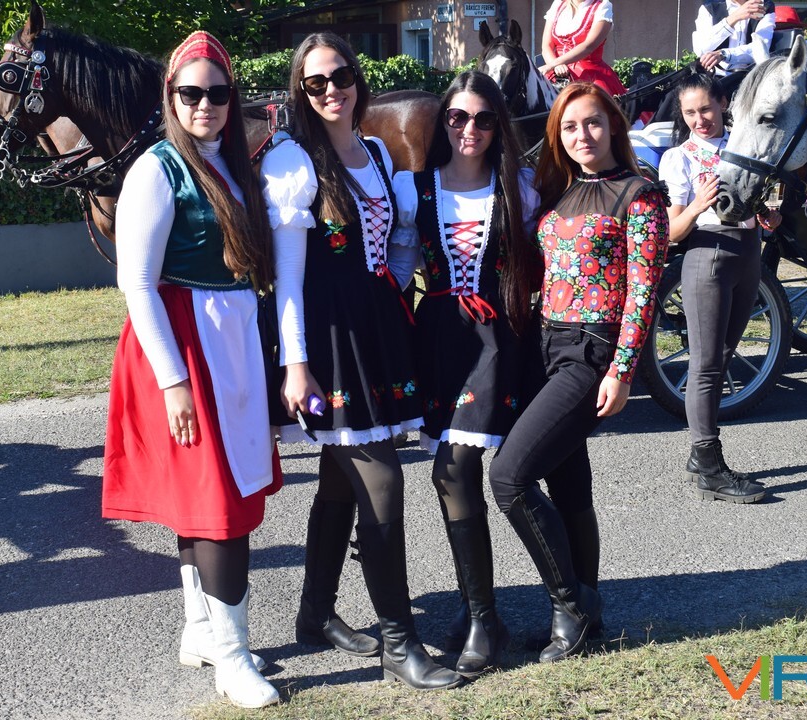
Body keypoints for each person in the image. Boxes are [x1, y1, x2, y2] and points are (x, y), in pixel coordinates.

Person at [260, 33, 464, 690]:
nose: (331, 91)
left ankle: (315, 613)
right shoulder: (292, 161)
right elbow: (288, 282)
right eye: (316, 82)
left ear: (357, 79)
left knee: (340, 480)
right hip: (328, 340)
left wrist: (392, 294)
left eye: (340, 76)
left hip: (378, 327)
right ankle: (399, 643)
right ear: (300, 91)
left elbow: (394, 246)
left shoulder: (375, 151)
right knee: (382, 482)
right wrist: (295, 366)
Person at [101, 31, 281, 709]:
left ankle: (202, 630)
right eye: (191, 92)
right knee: (217, 506)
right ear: (170, 97)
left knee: (202, 500)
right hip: (182, 350)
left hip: (227, 343)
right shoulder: (157, 169)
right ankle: (232, 659)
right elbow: (137, 284)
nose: (205, 104)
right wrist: (173, 381)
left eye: (218, 93)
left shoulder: (229, 163)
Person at [488, 83, 669, 662]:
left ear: (613, 125)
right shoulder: (557, 192)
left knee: (509, 479)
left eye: (592, 123)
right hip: (543, 349)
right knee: (568, 487)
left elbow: (644, 293)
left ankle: (571, 605)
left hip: (592, 353)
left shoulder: (639, 195)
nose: (582, 135)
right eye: (569, 127)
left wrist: (623, 370)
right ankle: (587, 617)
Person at [389, 71, 540, 677]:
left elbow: (543, 259)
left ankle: (485, 617)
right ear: (443, 122)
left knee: (453, 470)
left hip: (496, 340)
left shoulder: (519, 187)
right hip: (438, 341)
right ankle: (477, 608)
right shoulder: (414, 189)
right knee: (454, 476)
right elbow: (400, 265)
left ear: (498, 124)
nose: (469, 128)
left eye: (482, 118)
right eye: (457, 117)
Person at [658, 73, 775, 504]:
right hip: (706, 256)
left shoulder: (745, 145)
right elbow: (671, 231)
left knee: (723, 355)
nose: (699, 120)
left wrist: (769, 217)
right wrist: (697, 204)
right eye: (689, 112)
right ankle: (708, 462)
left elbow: (763, 208)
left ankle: (700, 457)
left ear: (723, 103)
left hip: (748, 253)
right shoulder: (678, 158)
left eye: (705, 109)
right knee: (706, 363)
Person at [693, 0, 777, 101]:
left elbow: (760, 48)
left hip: (751, 79)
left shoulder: (763, 5)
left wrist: (724, 54)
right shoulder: (710, 6)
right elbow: (701, 49)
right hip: (715, 78)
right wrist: (734, 18)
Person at [539, 0, 627, 96]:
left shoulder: (602, 6)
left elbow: (588, 46)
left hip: (590, 74)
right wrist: (555, 66)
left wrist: (552, 65)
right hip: (555, 72)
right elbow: (546, 45)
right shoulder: (558, 4)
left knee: (596, 100)